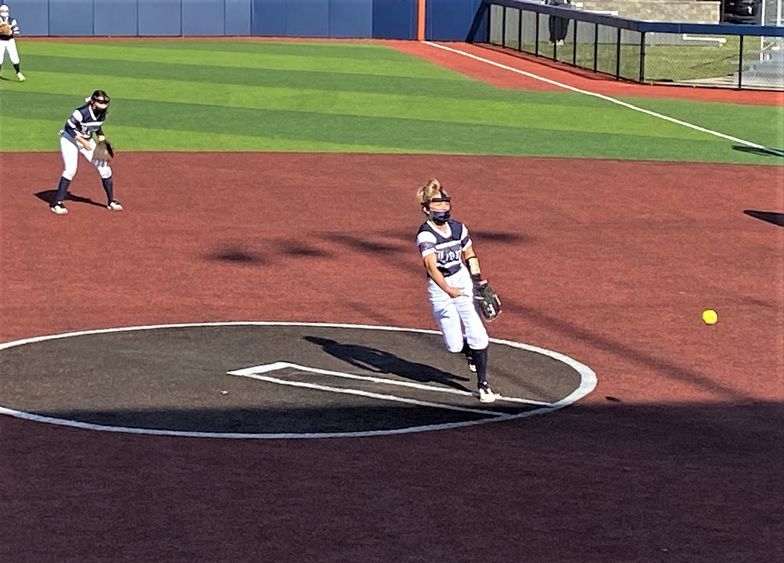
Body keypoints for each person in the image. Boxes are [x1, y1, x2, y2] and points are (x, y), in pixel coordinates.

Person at [415, 178, 496, 403]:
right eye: (437, 205)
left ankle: (483, 385)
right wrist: (448, 289)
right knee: (453, 345)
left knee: (478, 334)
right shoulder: (426, 235)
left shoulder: (459, 228)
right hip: (440, 288)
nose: (442, 208)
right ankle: (467, 350)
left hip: (461, 280)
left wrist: (478, 278)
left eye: (445, 204)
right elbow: (431, 267)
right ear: (426, 209)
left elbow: (469, 253)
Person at [50, 90, 123, 215]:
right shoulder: (80, 112)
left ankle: (111, 201)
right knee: (71, 169)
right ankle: (57, 203)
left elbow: (97, 127)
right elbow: (68, 127)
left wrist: (102, 141)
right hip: (70, 140)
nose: (104, 105)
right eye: (101, 102)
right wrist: (82, 141)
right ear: (93, 102)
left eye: (106, 102)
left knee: (104, 168)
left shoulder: (102, 113)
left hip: (87, 140)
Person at [0, 3, 25, 81]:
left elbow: (17, 31)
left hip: (10, 41)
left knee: (14, 57)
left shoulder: (12, 20)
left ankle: (18, 72)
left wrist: (10, 32)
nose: (4, 13)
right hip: (0, 41)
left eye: (5, 11)